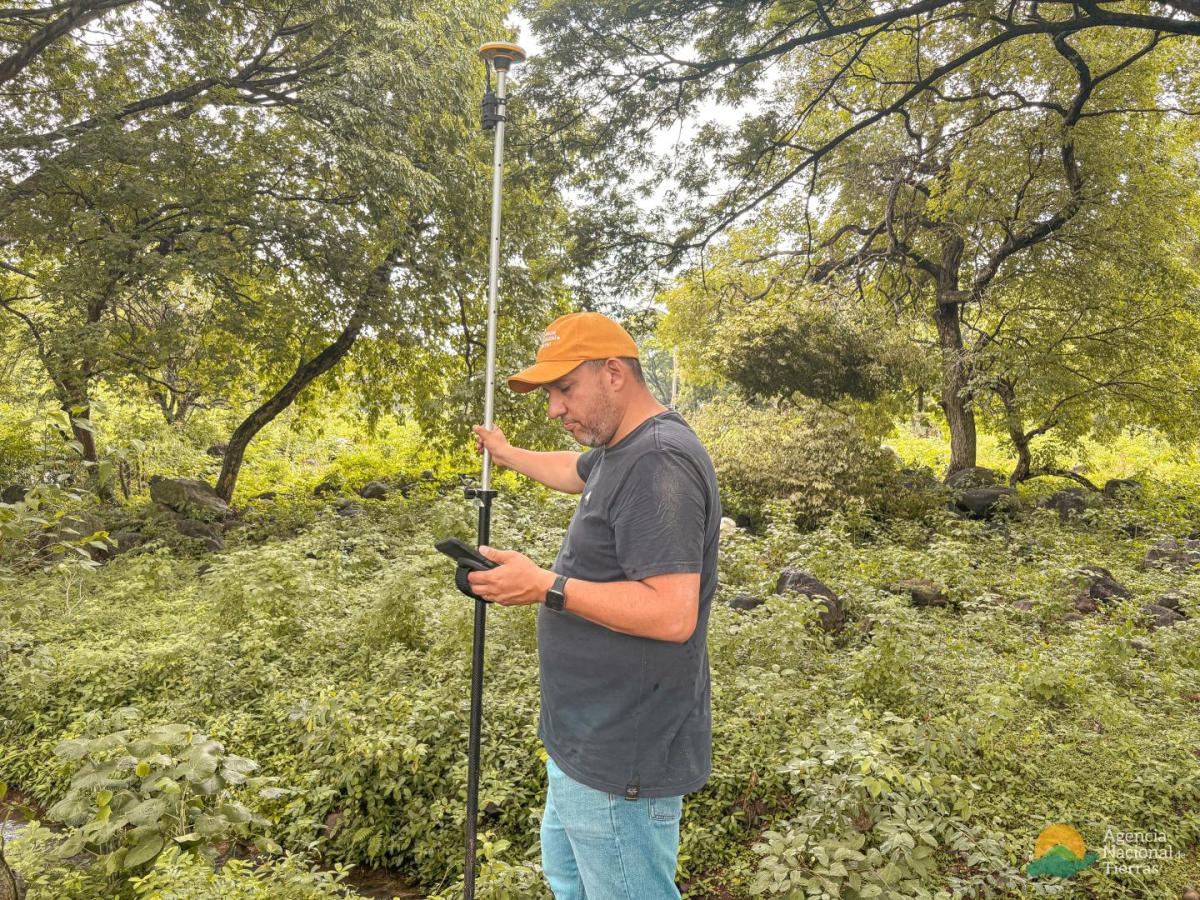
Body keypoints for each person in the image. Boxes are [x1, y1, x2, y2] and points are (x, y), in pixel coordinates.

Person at [467, 311, 721, 900]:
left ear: (613, 373)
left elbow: (672, 613)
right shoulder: (618, 446)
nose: (555, 408)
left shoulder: (660, 461)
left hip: (620, 754)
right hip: (583, 742)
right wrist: (507, 455)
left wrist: (545, 585)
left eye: (564, 388)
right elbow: (576, 471)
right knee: (571, 883)